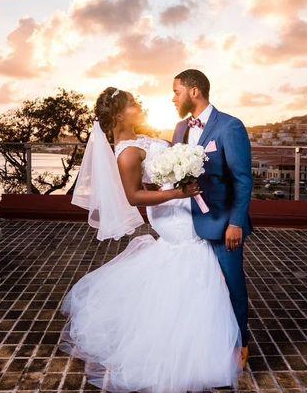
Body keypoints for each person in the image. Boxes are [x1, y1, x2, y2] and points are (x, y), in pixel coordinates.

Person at [60, 87, 243, 393]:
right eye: (132, 104)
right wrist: (178, 192)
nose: (139, 105)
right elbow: (134, 197)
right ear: (119, 113)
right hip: (173, 211)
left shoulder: (138, 140)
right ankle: (188, 352)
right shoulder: (127, 152)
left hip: (179, 205)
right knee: (193, 264)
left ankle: (186, 337)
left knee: (185, 272)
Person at [172, 69, 253, 368]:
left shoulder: (230, 127)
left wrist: (236, 223)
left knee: (232, 284)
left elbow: (243, 180)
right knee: (197, 288)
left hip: (223, 224)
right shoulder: (180, 129)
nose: (173, 98)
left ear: (194, 91)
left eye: (177, 91)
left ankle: (241, 342)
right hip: (186, 224)